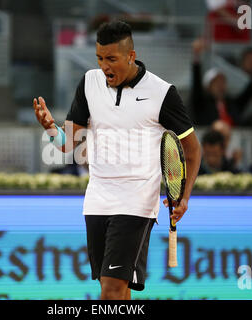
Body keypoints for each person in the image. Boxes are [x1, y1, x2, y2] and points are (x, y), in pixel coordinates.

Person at [33, 21, 201, 300]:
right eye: (99, 58)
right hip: (97, 196)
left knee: (110, 290)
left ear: (130, 56)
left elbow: (192, 150)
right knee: (117, 290)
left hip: (137, 199)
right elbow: (67, 146)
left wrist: (185, 195)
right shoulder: (89, 83)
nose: (104, 66)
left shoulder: (162, 93)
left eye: (111, 59)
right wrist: (50, 127)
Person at [190, 38, 252, 126]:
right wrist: (196, 56)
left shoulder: (233, 105)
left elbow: (251, 87)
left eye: (223, 82)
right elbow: (196, 86)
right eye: (216, 82)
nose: (221, 85)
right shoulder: (202, 104)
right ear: (208, 87)